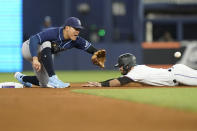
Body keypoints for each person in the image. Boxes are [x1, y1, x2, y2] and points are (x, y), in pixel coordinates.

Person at [14, 17, 105, 88]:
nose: (78, 31)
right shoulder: (55, 32)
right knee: (47, 43)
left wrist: (97, 53)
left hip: (42, 54)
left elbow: (90, 48)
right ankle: (53, 78)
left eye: (79, 29)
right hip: (28, 48)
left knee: (44, 83)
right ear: (67, 28)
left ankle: (22, 78)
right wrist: (34, 58)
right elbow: (34, 39)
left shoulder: (76, 40)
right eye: (75, 28)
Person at [85, 53, 197, 87]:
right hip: (176, 75)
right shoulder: (136, 70)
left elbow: (121, 81)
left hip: (178, 75)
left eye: (121, 65)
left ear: (127, 65)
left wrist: (101, 85)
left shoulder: (137, 72)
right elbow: (119, 79)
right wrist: (100, 83)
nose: (119, 68)